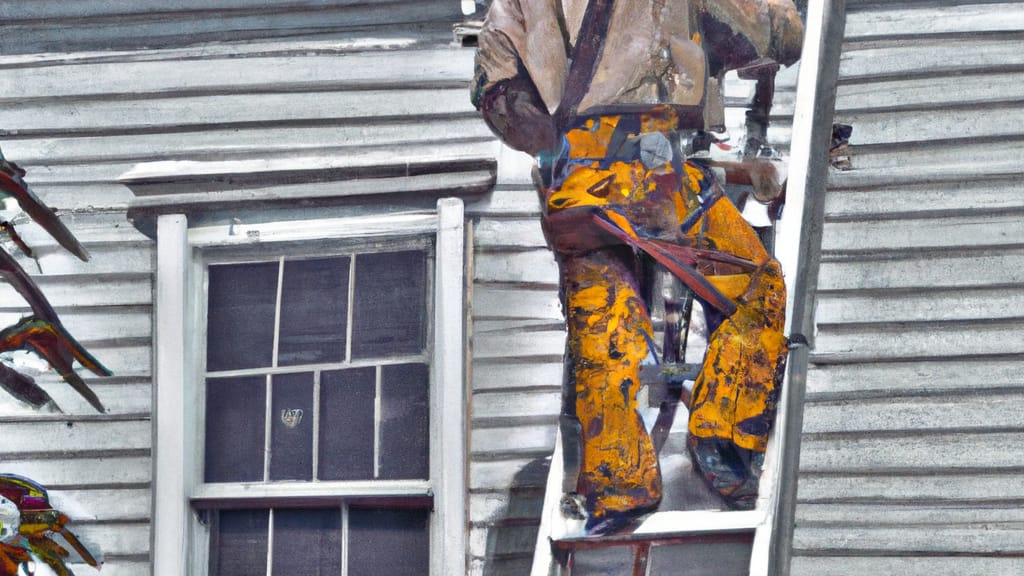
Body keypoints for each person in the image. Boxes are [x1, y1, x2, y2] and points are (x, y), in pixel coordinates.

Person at [473, 0, 803, 533]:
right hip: (653, 174)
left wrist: (562, 145)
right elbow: (772, 32)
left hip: (573, 184)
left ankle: (620, 485)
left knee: (603, 327)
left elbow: (496, 89)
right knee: (756, 288)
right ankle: (723, 438)